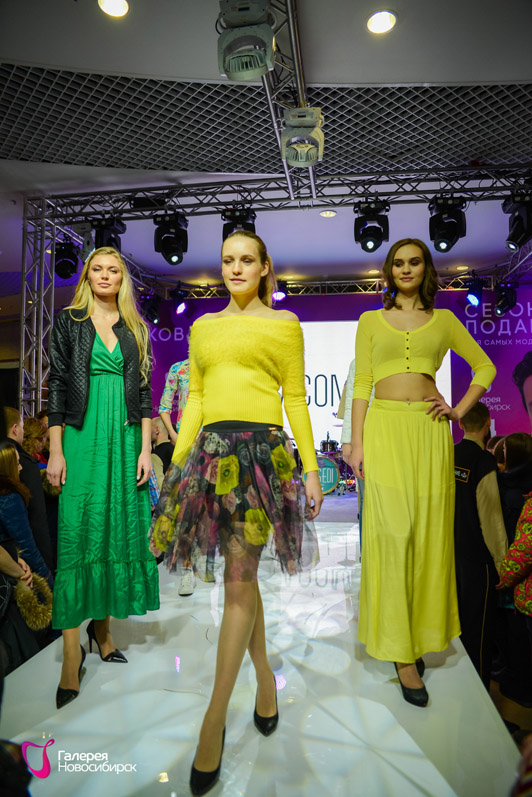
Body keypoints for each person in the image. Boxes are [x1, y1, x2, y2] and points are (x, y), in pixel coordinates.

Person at [150, 230, 322, 795]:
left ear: (265, 266)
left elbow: (295, 398)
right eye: (228, 260)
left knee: (239, 579)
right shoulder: (203, 327)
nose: (236, 268)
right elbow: (197, 400)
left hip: (262, 458)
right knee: (238, 580)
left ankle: (213, 718)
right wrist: (176, 465)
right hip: (211, 456)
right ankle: (265, 681)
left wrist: (312, 470)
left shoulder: (284, 325)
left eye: (247, 260)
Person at [347, 238, 496, 708]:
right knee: (394, 534)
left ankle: (419, 633)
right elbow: (362, 384)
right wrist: (356, 443)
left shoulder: (445, 320)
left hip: (431, 433)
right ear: (389, 271)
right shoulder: (370, 320)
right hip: (384, 429)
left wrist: (458, 411)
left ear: (426, 269)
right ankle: (400, 650)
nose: (406, 269)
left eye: (414, 262)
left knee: (429, 536)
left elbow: (485, 366)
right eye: (398, 263)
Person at [47, 246, 159, 710]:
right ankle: (72, 654)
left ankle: (104, 632)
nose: (106, 276)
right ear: (87, 276)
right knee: (79, 531)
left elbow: (145, 392)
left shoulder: (135, 327)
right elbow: (57, 384)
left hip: (126, 437)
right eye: (98, 269)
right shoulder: (69, 322)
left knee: (116, 528)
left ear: (122, 278)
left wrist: (146, 448)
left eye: (114, 270)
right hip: (82, 435)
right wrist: (55, 449)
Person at [453, 401, 507, 688]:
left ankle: (460, 688)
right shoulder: (484, 461)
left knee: (457, 628)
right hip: (479, 562)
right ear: (488, 423)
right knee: (479, 633)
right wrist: (502, 564)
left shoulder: (449, 455)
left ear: (461, 423)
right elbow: (491, 518)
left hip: (451, 558)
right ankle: (480, 696)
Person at [0, 444, 53, 587]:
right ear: (7, 467)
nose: (21, 467)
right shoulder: (10, 498)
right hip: (13, 575)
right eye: (17, 463)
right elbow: (26, 545)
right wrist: (47, 579)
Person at [158, 354, 190, 445]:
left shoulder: (216, 369)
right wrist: (173, 434)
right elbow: (164, 407)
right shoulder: (178, 368)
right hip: (185, 434)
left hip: (211, 432)